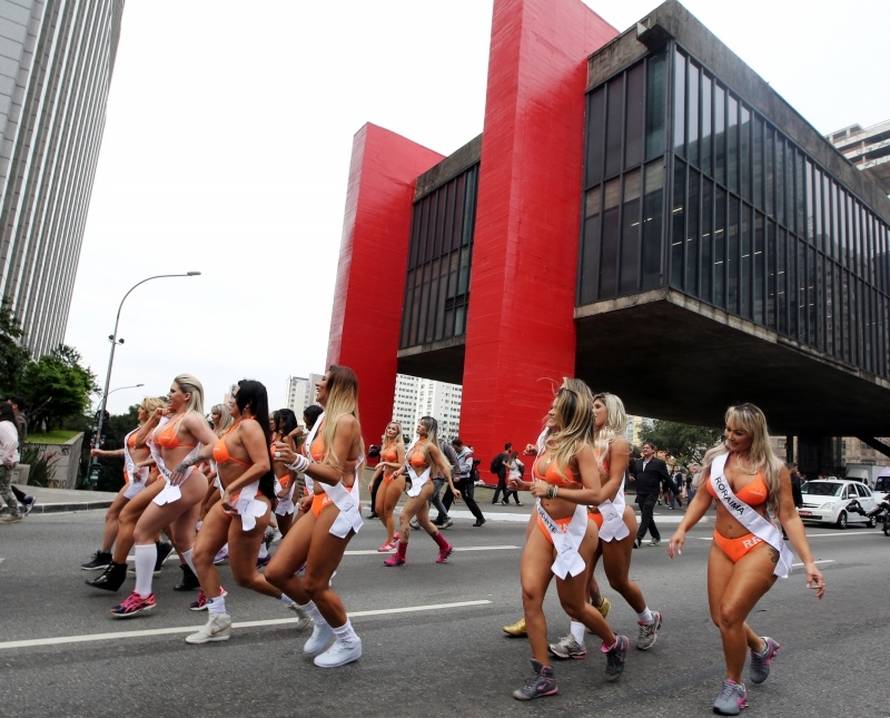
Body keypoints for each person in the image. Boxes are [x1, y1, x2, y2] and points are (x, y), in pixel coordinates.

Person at [668, 403, 825, 716]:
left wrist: (809, 562)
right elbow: (702, 496)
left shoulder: (773, 468)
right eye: (728, 429)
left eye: (738, 432)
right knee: (721, 618)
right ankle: (761, 647)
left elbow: (789, 516)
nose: (730, 436)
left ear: (754, 434)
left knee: (729, 614)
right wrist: (682, 528)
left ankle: (734, 686)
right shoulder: (717, 459)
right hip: (721, 545)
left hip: (758, 545)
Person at [513, 379, 629, 701]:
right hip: (544, 525)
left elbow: (593, 493)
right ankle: (544, 674)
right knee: (530, 594)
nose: (549, 411)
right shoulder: (549, 441)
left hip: (575, 532)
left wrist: (552, 490)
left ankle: (613, 642)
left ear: (568, 412)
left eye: (554, 408)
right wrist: (525, 485)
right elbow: (543, 482)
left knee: (574, 605)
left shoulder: (580, 448)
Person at [186, 380, 303, 643]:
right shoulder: (234, 426)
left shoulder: (250, 427)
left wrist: (232, 488)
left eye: (234, 396)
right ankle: (218, 620)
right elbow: (215, 450)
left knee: (246, 577)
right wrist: (189, 461)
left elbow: (262, 464)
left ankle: (299, 603)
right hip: (229, 503)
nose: (230, 399)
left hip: (250, 503)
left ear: (247, 402)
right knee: (201, 554)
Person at [548, 392, 662, 660]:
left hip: (613, 517)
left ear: (610, 411)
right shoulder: (583, 441)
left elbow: (613, 482)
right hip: (586, 516)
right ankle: (575, 640)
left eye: (597, 407)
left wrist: (597, 496)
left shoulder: (618, 443)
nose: (592, 411)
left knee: (618, 580)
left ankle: (648, 618)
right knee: (583, 578)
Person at [264, 367, 365, 668]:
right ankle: (321, 620)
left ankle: (349, 642)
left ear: (336, 388)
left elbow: (336, 473)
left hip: (339, 506)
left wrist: (295, 460)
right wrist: (309, 489)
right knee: (276, 572)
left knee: (315, 583)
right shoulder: (323, 420)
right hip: (320, 502)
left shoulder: (346, 422)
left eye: (324, 382)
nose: (319, 384)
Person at [105, 374, 220, 617]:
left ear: (186, 395)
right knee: (183, 540)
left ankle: (143, 595)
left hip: (186, 482)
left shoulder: (192, 418)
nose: (169, 394)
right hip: (176, 483)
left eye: (173, 390)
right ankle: (212, 590)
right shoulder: (171, 418)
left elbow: (216, 445)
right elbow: (140, 444)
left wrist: (188, 461)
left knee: (142, 531)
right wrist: (157, 418)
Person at [81, 396, 168, 570]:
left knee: (114, 514)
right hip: (134, 478)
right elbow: (129, 451)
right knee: (146, 520)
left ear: (149, 411)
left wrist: (142, 465)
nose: (138, 411)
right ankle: (161, 548)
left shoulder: (153, 431)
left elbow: (157, 454)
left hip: (140, 480)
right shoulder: (141, 429)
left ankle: (106, 555)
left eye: (141, 408)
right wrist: (104, 453)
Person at [383, 416, 459, 567]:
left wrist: (452, 487)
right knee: (424, 521)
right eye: (419, 423)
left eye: (422, 425)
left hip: (426, 485)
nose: (418, 426)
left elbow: (444, 467)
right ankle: (445, 547)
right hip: (416, 485)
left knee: (404, 516)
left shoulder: (430, 447)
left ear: (429, 429)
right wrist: (399, 471)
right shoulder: (415, 443)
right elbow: (407, 464)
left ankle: (400, 556)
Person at [370, 421, 406, 551]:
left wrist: (386, 463)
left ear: (398, 432)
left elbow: (402, 465)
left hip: (396, 478)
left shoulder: (399, 446)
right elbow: (380, 466)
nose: (390, 430)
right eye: (389, 428)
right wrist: (372, 480)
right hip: (385, 477)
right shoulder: (385, 444)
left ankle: (390, 542)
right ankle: (393, 533)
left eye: (394, 429)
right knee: (378, 509)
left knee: (388, 510)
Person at [628, 441, 669, 547]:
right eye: (643, 448)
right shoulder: (638, 462)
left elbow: (667, 478)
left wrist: (676, 492)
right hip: (641, 493)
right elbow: (634, 473)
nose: (645, 449)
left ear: (652, 450)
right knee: (648, 516)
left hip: (652, 493)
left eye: (647, 448)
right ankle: (656, 536)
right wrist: (632, 476)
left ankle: (638, 538)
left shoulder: (659, 463)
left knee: (645, 515)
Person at [270, 408, 302, 539]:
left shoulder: (287, 440)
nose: (272, 421)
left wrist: (287, 488)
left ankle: (298, 551)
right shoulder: (274, 436)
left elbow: (294, 466)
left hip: (283, 483)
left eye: (275, 419)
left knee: (286, 530)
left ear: (283, 422)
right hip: (273, 481)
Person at [442, 438, 486, 527]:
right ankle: (441, 517)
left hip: (463, 479)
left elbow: (467, 467)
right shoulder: (458, 452)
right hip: (457, 478)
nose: (454, 450)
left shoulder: (468, 454)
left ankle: (480, 518)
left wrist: (454, 469)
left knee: (468, 500)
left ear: (459, 446)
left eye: (455, 448)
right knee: (447, 498)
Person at [0, 402, 22, 522]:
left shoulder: (3, 425)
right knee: (4, 487)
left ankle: (15, 513)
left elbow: (13, 442)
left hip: (4, 462)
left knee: (4, 488)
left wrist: (6, 459)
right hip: (5, 461)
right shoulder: (9, 424)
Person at [432, 437, 460, 528]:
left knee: (427, 498)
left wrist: (456, 474)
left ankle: (419, 520)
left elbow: (454, 461)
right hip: (431, 476)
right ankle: (446, 518)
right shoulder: (427, 444)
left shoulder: (444, 445)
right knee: (435, 499)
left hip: (439, 476)